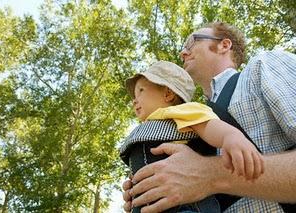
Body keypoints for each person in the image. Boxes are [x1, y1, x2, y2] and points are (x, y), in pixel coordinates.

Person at [122, 22, 296, 213]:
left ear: (224, 45)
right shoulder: (184, 122)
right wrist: (149, 187)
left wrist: (211, 175)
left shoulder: (264, 65)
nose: (183, 53)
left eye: (191, 42)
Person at [120, 60, 264, 213]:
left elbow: (208, 125)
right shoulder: (143, 130)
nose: (134, 100)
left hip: (185, 206)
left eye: (141, 90)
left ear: (168, 93)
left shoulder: (183, 112)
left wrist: (231, 136)